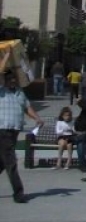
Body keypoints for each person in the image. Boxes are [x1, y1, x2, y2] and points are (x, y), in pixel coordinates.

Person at [1, 68, 44, 203]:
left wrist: (37, 118)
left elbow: (27, 107)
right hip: (2, 130)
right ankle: (18, 193)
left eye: (14, 78)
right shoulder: (1, 92)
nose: (13, 81)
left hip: (14, 130)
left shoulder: (20, 93)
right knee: (11, 161)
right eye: (10, 79)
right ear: (4, 80)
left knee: (2, 162)